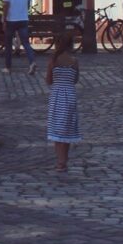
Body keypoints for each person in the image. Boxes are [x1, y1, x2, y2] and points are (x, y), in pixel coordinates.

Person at [45, 28, 82, 173]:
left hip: (57, 95)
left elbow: (49, 80)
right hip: (70, 96)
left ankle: (59, 161)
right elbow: (75, 80)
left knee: (57, 129)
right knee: (67, 129)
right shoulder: (74, 61)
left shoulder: (53, 60)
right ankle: (64, 160)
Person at [3, 0, 36, 70]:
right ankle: (32, 62)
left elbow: (6, 5)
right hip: (23, 19)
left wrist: (4, 19)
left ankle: (8, 67)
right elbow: (28, 2)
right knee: (26, 43)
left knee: (8, 44)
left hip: (11, 20)